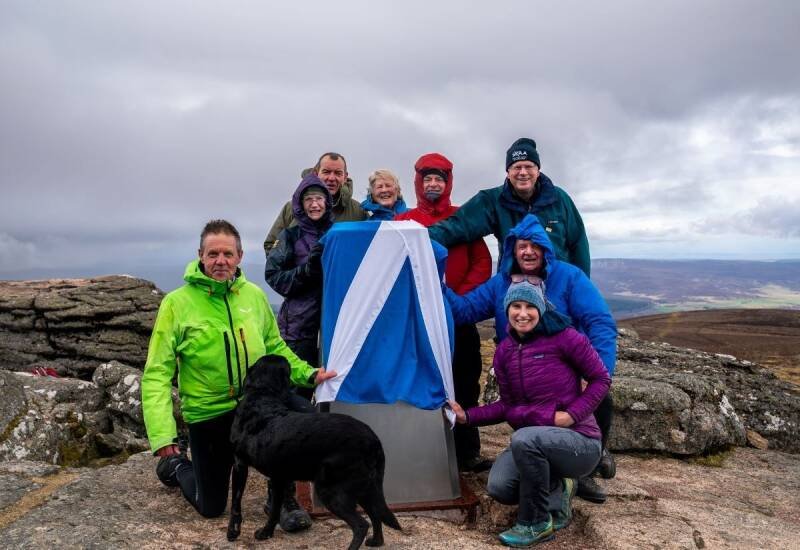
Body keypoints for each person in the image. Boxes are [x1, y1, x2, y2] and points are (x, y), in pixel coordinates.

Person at [141, 219, 336, 530]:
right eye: (213, 254)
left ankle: (281, 497)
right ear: (200, 255)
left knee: (303, 417)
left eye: (228, 254)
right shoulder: (176, 304)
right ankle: (177, 466)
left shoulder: (254, 296)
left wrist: (308, 374)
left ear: (240, 257)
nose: (221, 261)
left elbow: (276, 348)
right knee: (211, 508)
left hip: (254, 406)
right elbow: (156, 374)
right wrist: (163, 435)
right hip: (208, 412)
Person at [445, 214, 617, 503]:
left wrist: (599, 369)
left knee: (595, 400)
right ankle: (549, 470)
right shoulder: (501, 283)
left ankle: (582, 471)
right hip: (521, 368)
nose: (528, 251)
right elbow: (464, 311)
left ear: (546, 249)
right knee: (507, 475)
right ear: (512, 250)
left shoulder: (569, 277)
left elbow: (599, 322)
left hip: (565, 371)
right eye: (522, 246)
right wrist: (436, 283)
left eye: (535, 245)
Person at [449, 281, 610, 547]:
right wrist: (467, 416)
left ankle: (536, 522)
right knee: (500, 487)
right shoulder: (505, 352)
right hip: (536, 442)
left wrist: (571, 415)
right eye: (516, 306)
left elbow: (601, 379)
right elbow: (507, 405)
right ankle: (560, 488)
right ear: (507, 310)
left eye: (529, 306)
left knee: (523, 439)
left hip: (578, 441)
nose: (522, 313)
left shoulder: (566, 338)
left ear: (541, 309)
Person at [395, 152, 493, 472]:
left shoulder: (463, 218)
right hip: (417, 320)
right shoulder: (403, 222)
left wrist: (458, 299)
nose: (433, 184)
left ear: (448, 183)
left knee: (465, 381)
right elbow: (393, 266)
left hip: (458, 317)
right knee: (419, 381)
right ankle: (421, 450)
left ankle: (467, 452)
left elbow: (481, 262)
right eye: (428, 179)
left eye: (439, 179)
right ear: (418, 182)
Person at [428, 137, 590, 276]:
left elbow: (579, 245)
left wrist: (580, 286)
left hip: (557, 287)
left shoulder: (559, 199)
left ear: (538, 171)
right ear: (508, 172)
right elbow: (458, 226)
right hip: (514, 291)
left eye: (529, 166)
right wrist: (420, 237)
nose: (523, 172)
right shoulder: (493, 201)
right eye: (517, 167)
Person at [265, 175, 333, 399]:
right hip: (298, 327)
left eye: (319, 199)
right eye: (308, 199)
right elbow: (273, 275)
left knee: (330, 383)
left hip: (333, 325)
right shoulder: (290, 236)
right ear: (300, 204)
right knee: (297, 390)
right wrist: (306, 271)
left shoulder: (337, 234)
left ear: (327, 202)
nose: (314, 204)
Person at [263, 152, 366, 254]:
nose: (331, 178)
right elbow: (271, 246)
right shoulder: (292, 208)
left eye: (338, 173)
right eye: (326, 172)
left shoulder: (359, 212)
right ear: (316, 173)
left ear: (345, 177)